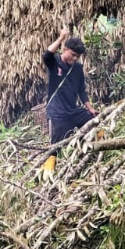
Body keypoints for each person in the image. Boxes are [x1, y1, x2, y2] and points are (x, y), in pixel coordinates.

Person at [41, 27, 95, 172]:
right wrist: (60, 37)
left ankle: (89, 154)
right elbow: (46, 55)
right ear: (64, 49)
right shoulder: (54, 63)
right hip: (58, 114)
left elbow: (81, 90)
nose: (75, 58)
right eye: (73, 54)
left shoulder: (77, 68)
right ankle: (48, 174)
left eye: (77, 56)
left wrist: (90, 108)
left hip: (73, 111)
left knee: (95, 121)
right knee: (55, 148)